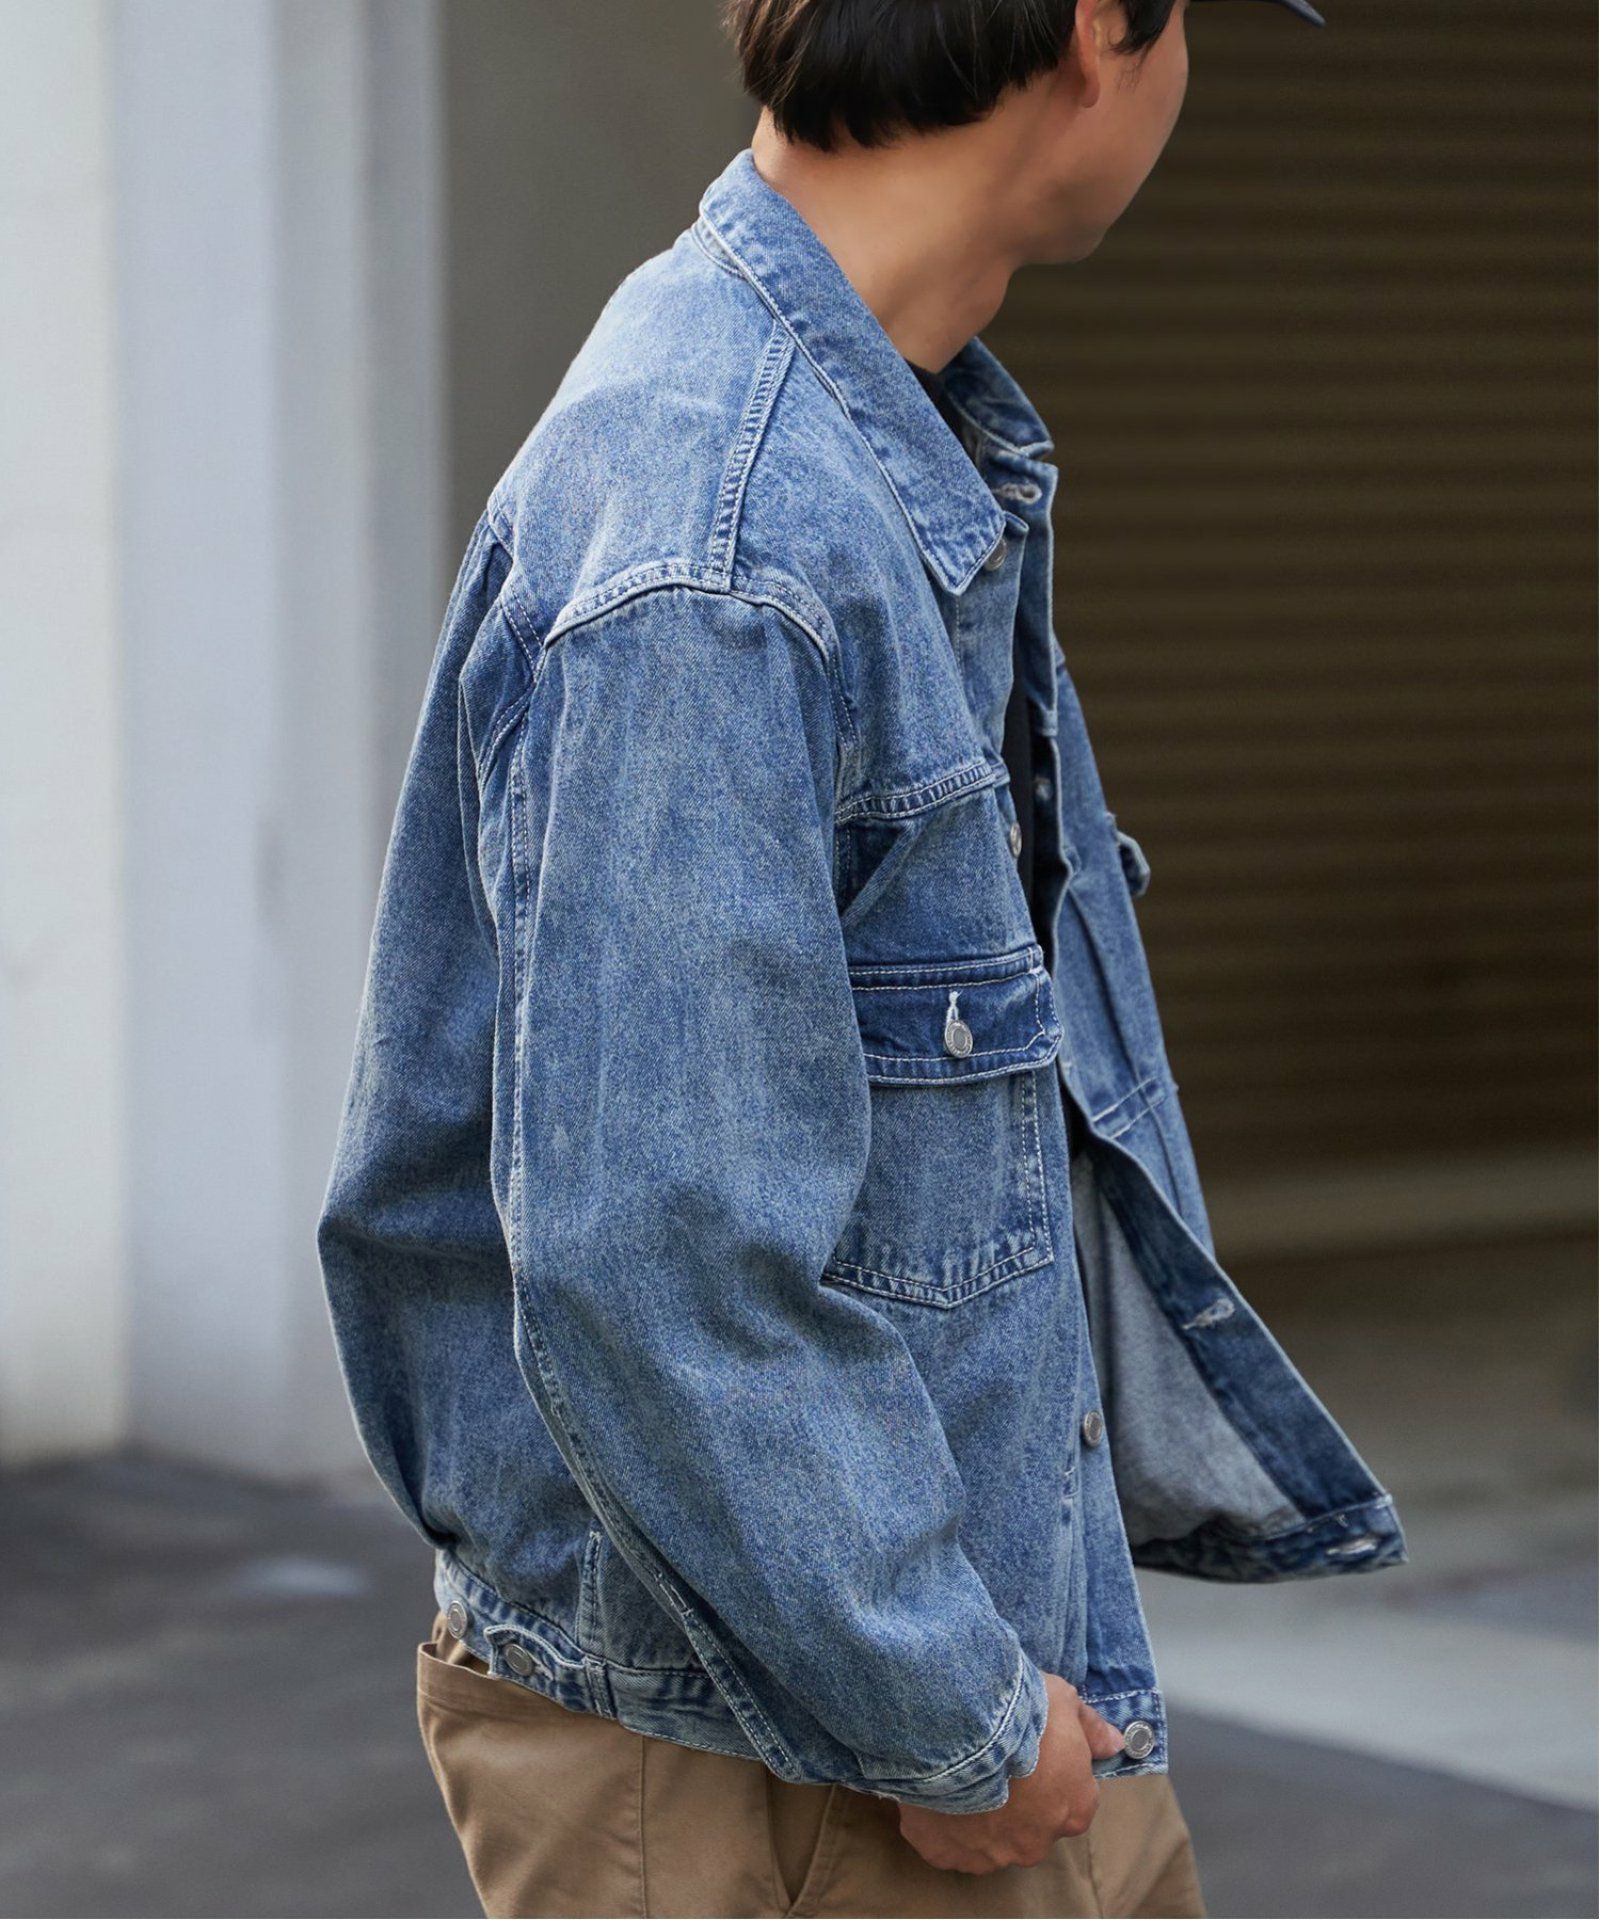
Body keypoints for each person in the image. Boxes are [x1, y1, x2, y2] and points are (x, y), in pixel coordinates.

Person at [317, 1, 1405, 1913]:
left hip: (910, 1670)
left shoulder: (875, 449)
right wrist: (949, 1721)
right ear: (1097, 30)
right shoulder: (723, 540)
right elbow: (654, 1261)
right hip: (782, 1745)